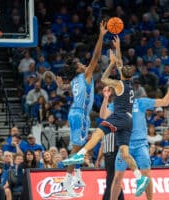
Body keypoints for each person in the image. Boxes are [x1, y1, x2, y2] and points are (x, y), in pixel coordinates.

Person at [63, 36, 149, 197]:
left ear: (123, 74)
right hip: (128, 121)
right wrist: (118, 48)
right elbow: (120, 63)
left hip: (120, 117)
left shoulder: (119, 84)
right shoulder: (128, 84)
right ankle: (139, 177)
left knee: (98, 132)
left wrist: (110, 63)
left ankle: (80, 154)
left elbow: (104, 78)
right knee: (124, 152)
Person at [100, 73, 169, 200]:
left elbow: (165, 101)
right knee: (117, 178)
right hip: (124, 145)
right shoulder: (116, 105)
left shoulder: (141, 102)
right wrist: (105, 98)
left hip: (140, 144)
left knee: (147, 175)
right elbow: (103, 115)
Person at [60, 21, 107, 197]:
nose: (83, 64)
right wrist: (101, 36)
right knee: (76, 148)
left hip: (81, 114)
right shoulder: (84, 75)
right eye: (80, 64)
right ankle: (67, 180)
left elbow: (64, 87)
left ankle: (77, 175)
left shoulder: (73, 80)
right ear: (78, 69)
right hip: (79, 113)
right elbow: (96, 56)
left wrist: (58, 80)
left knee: (81, 148)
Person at [96, 86, 124, 200]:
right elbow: (103, 142)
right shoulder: (106, 123)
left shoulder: (120, 116)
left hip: (116, 150)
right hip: (108, 152)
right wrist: (99, 158)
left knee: (111, 179)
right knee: (112, 179)